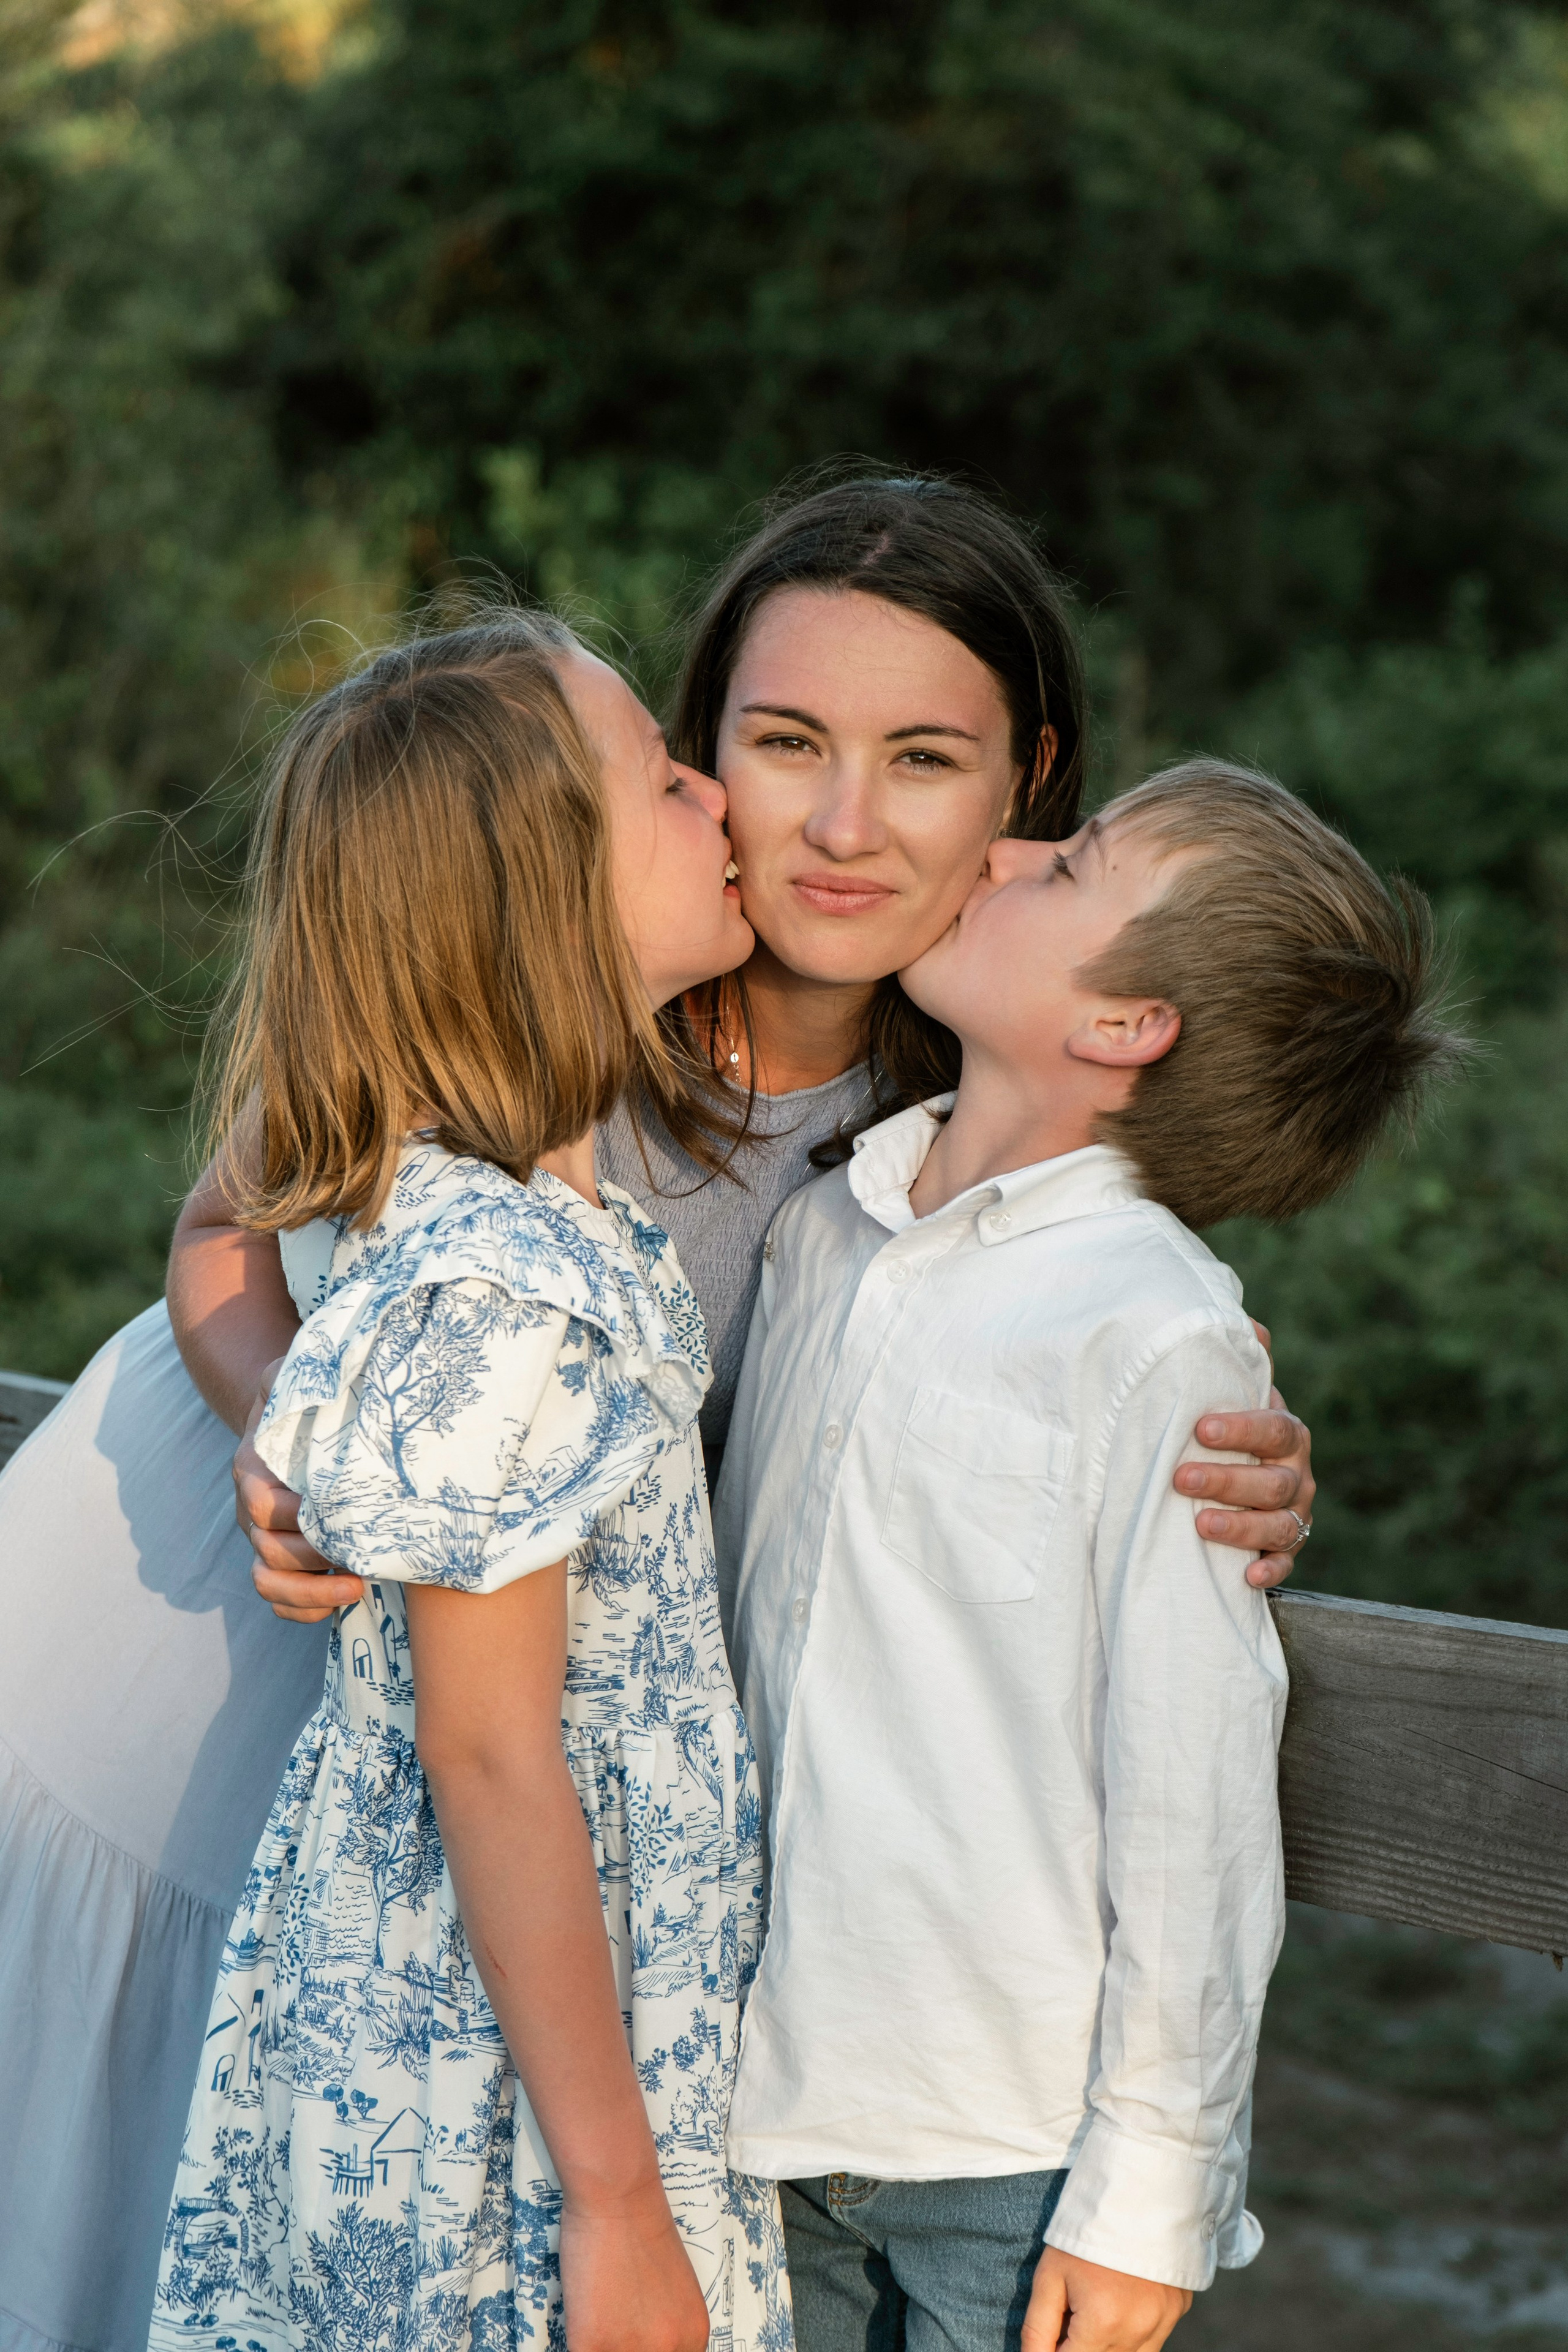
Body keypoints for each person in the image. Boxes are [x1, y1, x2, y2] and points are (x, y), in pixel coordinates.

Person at [0, 475, 1311, 2352]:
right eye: (780, 745)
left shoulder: (985, 1127)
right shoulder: (543, 984)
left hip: (500, 1787)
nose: (842, 824)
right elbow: (227, 1223)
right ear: (698, 760)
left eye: (924, 759)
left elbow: (1080, 1401)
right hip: (207, 1665)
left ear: (1029, 784)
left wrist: (1227, 1445)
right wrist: (295, 1427)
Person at [715, 762, 1465, 2352]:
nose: (1007, 853)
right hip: (751, 2094)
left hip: (1013, 2145)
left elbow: (1194, 1802)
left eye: (1070, 868)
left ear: (1125, 1027)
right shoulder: (821, 1231)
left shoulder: (1158, 1336)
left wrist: (1156, 2194)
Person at [146, 608, 790, 2348]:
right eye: (666, 779)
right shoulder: (506, 1287)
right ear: (545, 903)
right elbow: (493, 1750)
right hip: (503, 2067)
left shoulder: (418, 1179)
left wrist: (299, 1431)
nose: (719, 800)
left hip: (422, 1989)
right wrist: (618, 2199)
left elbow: (215, 1224)